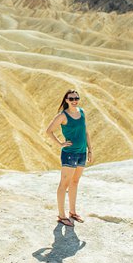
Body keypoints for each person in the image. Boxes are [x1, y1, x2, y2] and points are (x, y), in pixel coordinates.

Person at [45, 89, 94, 227]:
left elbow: (85, 131)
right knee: (64, 184)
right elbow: (49, 131)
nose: (74, 101)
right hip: (70, 154)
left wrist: (90, 150)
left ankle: (72, 212)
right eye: (71, 98)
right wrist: (60, 143)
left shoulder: (82, 112)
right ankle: (61, 215)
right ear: (66, 100)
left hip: (81, 153)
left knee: (75, 182)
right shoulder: (62, 115)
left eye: (76, 98)